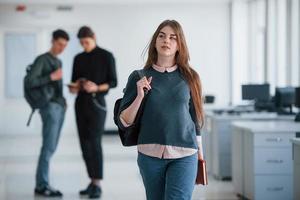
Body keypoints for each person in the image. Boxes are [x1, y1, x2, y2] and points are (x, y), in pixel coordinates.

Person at [118, 20, 205, 200]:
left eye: (173, 37)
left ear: (180, 44)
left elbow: (195, 119)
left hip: (185, 153)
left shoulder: (191, 77)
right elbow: (125, 121)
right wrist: (139, 96)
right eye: (162, 36)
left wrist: (200, 155)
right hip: (149, 155)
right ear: (155, 41)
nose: (167, 40)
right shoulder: (138, 77)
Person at [69, 26, 117, 199]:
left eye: (86, 42)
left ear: (94, 37)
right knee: (84, 143)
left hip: (97, 104)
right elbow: (74, 82)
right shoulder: (78, 58)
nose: (84, 45)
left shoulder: (106, 56)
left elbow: (113, 82)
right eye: (81, 43)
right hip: (80, 103)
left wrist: (96, 87)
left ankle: (97, 182)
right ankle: (91, 179)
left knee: (95, 142)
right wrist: (75, 87)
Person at [28, 29, 69, 197]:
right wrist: (51, 77)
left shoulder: (58, 61)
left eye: (65, 45)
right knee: (48, 146)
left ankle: (43, 183)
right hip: (50, 108)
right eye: (59, 44)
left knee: (51, 146)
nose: (61, 48)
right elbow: (31, 81)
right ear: (52, 41)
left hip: (59, 106)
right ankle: (41, 185)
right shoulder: (42, 60)